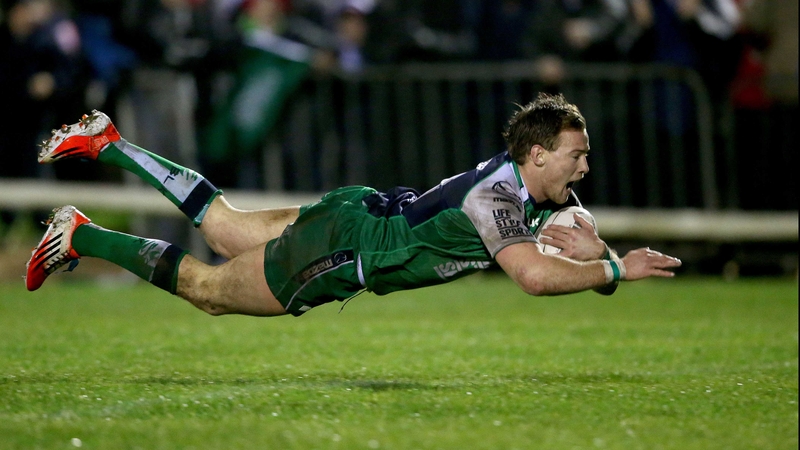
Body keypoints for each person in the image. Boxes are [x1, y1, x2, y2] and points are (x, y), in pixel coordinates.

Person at [25, 93, 681, 317]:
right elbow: (535, 277)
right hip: (347, 248)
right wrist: (615, 268)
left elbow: (585, 266)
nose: (585, 167)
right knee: (208, 290)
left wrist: (603, 260)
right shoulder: (497, 198)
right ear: (537, 155)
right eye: (577, 155)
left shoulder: (549, 194)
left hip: (361, 210)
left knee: (222, 226)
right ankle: (79, 235)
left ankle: (109, 144)